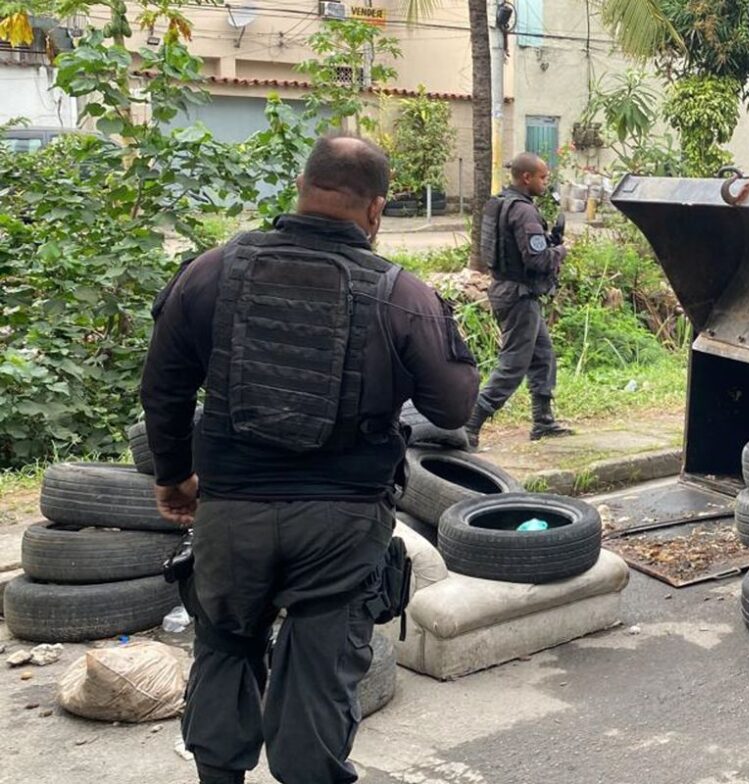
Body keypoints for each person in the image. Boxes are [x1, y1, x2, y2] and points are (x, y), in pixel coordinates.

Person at [140, 135, 479, 784]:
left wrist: (172, 475)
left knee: (225, 647)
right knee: (320, 669)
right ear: (376, 210)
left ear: (302, 187)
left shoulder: (212, 270)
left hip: (231, 509)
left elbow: (163, 386)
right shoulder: (401, 295)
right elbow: (454, 406)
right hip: (341, 523)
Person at [466, 152, 572, 448]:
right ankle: (470, 422)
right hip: (518, 296)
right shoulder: (524, 211)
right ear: (527, 177)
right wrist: (562, 251)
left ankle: (543, 421)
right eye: (543, 177)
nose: (545, 182)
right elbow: (538, 261)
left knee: (542, 355)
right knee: (514, 363)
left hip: (508, 290)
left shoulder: (499, 203)